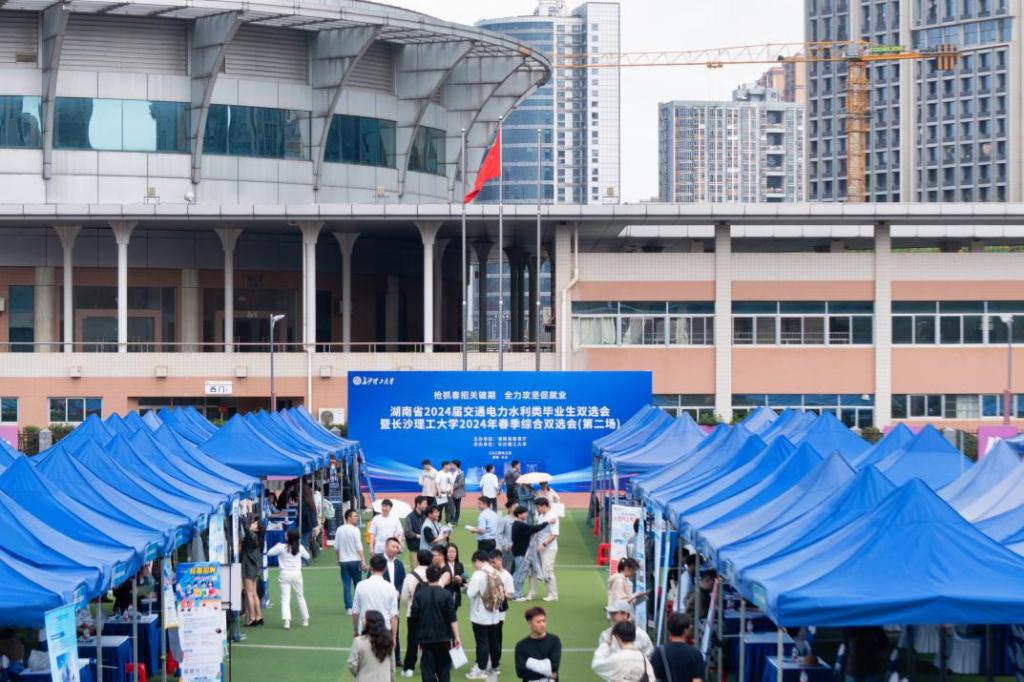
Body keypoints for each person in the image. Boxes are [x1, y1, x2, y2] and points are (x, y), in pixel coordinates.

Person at [411, 565, 461, 682]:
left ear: (426, 577)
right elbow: (452, 618)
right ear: (439, 577)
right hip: (444, 639)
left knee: (427, 671)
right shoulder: (446, 595)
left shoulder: (419, 595)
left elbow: (414, 617)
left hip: (425, 639)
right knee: (444, 671)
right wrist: (457, 636)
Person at [466, 550, 504, 680]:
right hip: (494, 613)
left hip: (480, 614)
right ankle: (494, 666)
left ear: (477, 561)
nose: (474, 566)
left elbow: (471, 593)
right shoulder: (495, 572)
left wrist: (468, 586)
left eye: (474, 563)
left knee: (482, 642)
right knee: (493, 640)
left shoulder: (478, 574)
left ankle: (481, 669)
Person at [266, 528, 310, 629]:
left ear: (288, 537)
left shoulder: (281, 547)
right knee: (300, 597)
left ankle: (286, 621)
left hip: (284, 574)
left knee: (285, 598)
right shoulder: (300, 547)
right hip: (297, 574)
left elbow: (269, 553)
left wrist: (276, 545)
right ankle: (305, 619)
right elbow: (307, 557)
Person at [400, 549, 432, 678]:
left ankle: (409, 668)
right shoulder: (435, 574)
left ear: (418, 560)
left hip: (413, 613)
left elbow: (404, 597)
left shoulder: (410, 576)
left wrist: (409, 605)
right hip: (431, 613)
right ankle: (428, 665)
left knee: (412, 640)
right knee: (429, 640)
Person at [352, 554, 400, 641]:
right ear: (385, 569)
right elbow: (393, 615)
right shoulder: (390, 587)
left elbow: (355, 611)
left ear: (371, 568)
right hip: (384, 631)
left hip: (364, 630)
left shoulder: (360, 585)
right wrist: (394, 637)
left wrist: (355, 630)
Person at [591, 621, 656, 682]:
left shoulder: (616, 658)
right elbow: (652, 679)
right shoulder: (643, 659)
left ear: (617, 637)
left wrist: (606, 643)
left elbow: (597, 664)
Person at [651, 613, 704, 682]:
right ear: (685, 631)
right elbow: (697, 680)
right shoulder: (695, 654)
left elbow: (652, 678)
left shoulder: (659, 652)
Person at [510, 505, 548, 600]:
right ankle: (517, 595)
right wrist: (547, 522)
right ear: (519, 514)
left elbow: (528, 532)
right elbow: (534, 528)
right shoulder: (520, 525)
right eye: (524, 513)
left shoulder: (517, 524)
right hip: (521, 552)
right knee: (520, 574)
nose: (526, 515)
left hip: (518, 551)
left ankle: (515, 593)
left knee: (518, 573)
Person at [514, 607, 562, 682]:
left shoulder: (554, 641)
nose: (542, 624)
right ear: (529, 623)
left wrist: (530, 663)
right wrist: (548, 672)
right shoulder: (521, 646)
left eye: (544, 621)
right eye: (538, 622)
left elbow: (554, 667)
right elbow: (520, 672)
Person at [347, 610, 396, 682]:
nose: (362, 620)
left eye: (364, 619)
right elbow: (392, 667)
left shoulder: (359, 641)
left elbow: (352, 664)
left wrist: (360, 674)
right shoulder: (388, 641)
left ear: (368, 623)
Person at [336, 508, 367, 616]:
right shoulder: (355, 530)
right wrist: (363, 560)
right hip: (355, 561)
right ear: (348, 518)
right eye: (355, 516)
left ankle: (349, 607)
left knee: (346, 585)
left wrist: (338, 559)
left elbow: (336, 547)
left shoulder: (339, 530)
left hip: (344, 561)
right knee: (358, 584)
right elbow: (359, 546)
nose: (357, 518)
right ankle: (359, 606)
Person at [489, 549, 515, 673]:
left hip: (500, 610)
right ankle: (487, 658)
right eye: (491, 562)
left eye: (494, 562)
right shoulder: (488, 573)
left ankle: (496, 661)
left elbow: (510, 594)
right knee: (488, 634)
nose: (492, 565)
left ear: (500, 560)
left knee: (497, 635)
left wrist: (502, 593)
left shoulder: (507, 576)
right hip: (488, 609)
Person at [531, 497, 560, 602]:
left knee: (548, 570)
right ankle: (538, 592)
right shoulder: (542, 516)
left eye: (538, 507)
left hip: (549, 548)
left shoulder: (552, 516)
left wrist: (544, 544)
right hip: (540, 546)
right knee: (541, 570)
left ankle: (553, 594)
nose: (537, 509)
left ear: (544, 506)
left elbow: (554, 534)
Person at [240, 515, 265, 626]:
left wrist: (243, 517)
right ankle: (259, 616)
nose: (252, 524)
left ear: (257, 529)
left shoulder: (252, 536)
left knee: (249, 593)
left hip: (248, 566)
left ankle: (252, 618)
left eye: (255, 524)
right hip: (254, 567)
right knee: (254, 593)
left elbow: (246, 528)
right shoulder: (258, 539)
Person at [444, 543, 465, 610]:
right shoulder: (442, 565)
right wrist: (452, 580)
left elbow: (464, 581)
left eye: (453, 552)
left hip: (455, 596)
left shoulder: (460, 565)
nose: (451, 554)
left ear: (456, 553)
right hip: (444, 596)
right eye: (449, 552)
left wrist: (460, 581)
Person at [496, 500, 516, 572]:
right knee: (507, 570)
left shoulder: (520, 519)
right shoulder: (504, 520)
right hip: (508, 549)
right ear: (509, 508)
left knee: (517, 571)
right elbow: (498, 534)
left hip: (518, 550)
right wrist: (505, 545)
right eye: (515, 507)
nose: (517, 508)